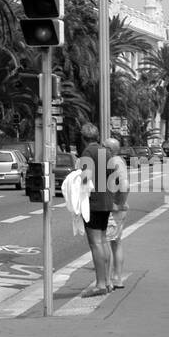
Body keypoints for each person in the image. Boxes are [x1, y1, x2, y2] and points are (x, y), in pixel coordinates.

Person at [77, 122, 112, 296]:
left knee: (95, 243)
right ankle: (108, 281)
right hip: (106, 200)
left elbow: (85, 179)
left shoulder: (87, 153)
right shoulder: (107, 151)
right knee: (103, 240)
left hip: (93, 202)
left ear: (83, 138)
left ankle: (100, 284)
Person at [106, 136, 129, 288]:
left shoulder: (114, 162)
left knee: (106, 242)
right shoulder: (117, 161)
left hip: (114, 210)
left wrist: (117, 203)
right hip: (118, 208)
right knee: (116, 243)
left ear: (109, 150)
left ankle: (108, 280)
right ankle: (117, 278)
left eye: (104, 146)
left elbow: (125, 185)